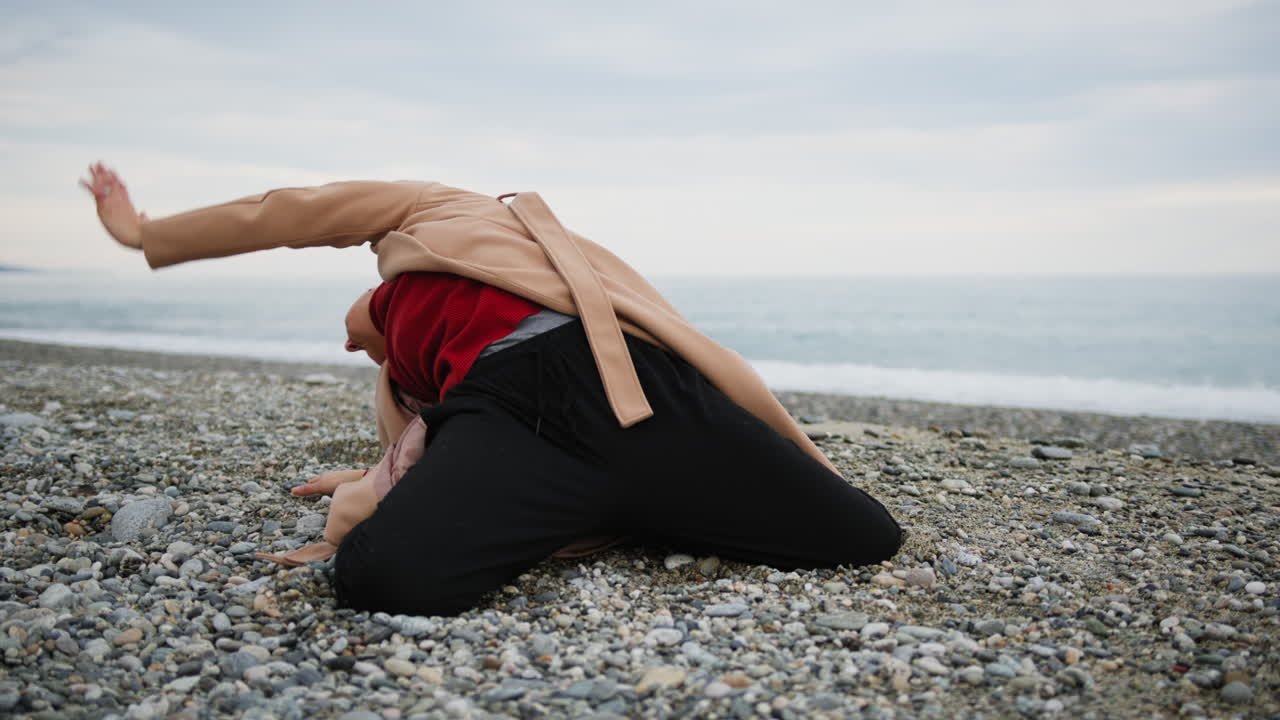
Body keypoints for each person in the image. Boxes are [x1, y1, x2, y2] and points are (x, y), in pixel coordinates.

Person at [81, 163, 903, 617]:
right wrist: (377, 480)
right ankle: (612, 510)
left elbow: (293, 210)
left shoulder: (436, 210)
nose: (349, 337)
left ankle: (616, 507)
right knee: (382, 581)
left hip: (621, 379)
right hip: (506, 414)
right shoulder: (411, 390)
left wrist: (150, 234)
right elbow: (409, 454)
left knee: (864, 535)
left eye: (356, 326)